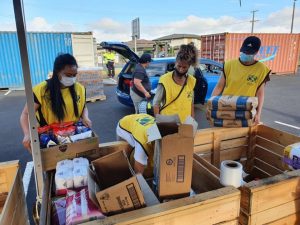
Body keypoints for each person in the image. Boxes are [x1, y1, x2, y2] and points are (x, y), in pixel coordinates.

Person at [20, 53, 92, 152]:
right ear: (57, 72)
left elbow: (83, 106)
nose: (72, 78)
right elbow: (25, 114)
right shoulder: (41, 90)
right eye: (68, 75)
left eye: (74, 75)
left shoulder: (79, 88)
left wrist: (85, 117)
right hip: (50, 138)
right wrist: (27, 134)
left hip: (73, 135)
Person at [211, 36, 271, 125]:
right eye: (244, 51)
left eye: (249, 52)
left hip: (246, 112)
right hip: (226, 109)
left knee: (243, 138)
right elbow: (219, 87)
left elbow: (260, 93)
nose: (246, 54)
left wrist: (258, 114)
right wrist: (212, 105)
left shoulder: (262, 69)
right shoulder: (229, 65)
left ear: (256, 52)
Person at [153, 44, 198, 123]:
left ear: (189, 66)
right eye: (179, 66)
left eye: (184, 67)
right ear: (175, 62)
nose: (181, 70)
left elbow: (191, 102)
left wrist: (192, 121)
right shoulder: (164, 80)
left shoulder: (191, 81)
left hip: (185, 123)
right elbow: (156, 104)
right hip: (168, 124)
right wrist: (159, 124)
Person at [116, 113, 155, 177]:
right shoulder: (143, 142)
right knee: (124, 159)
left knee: (149, 159)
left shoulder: (160, 131)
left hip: (139, 120)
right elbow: (138, 171)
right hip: (123, 126)